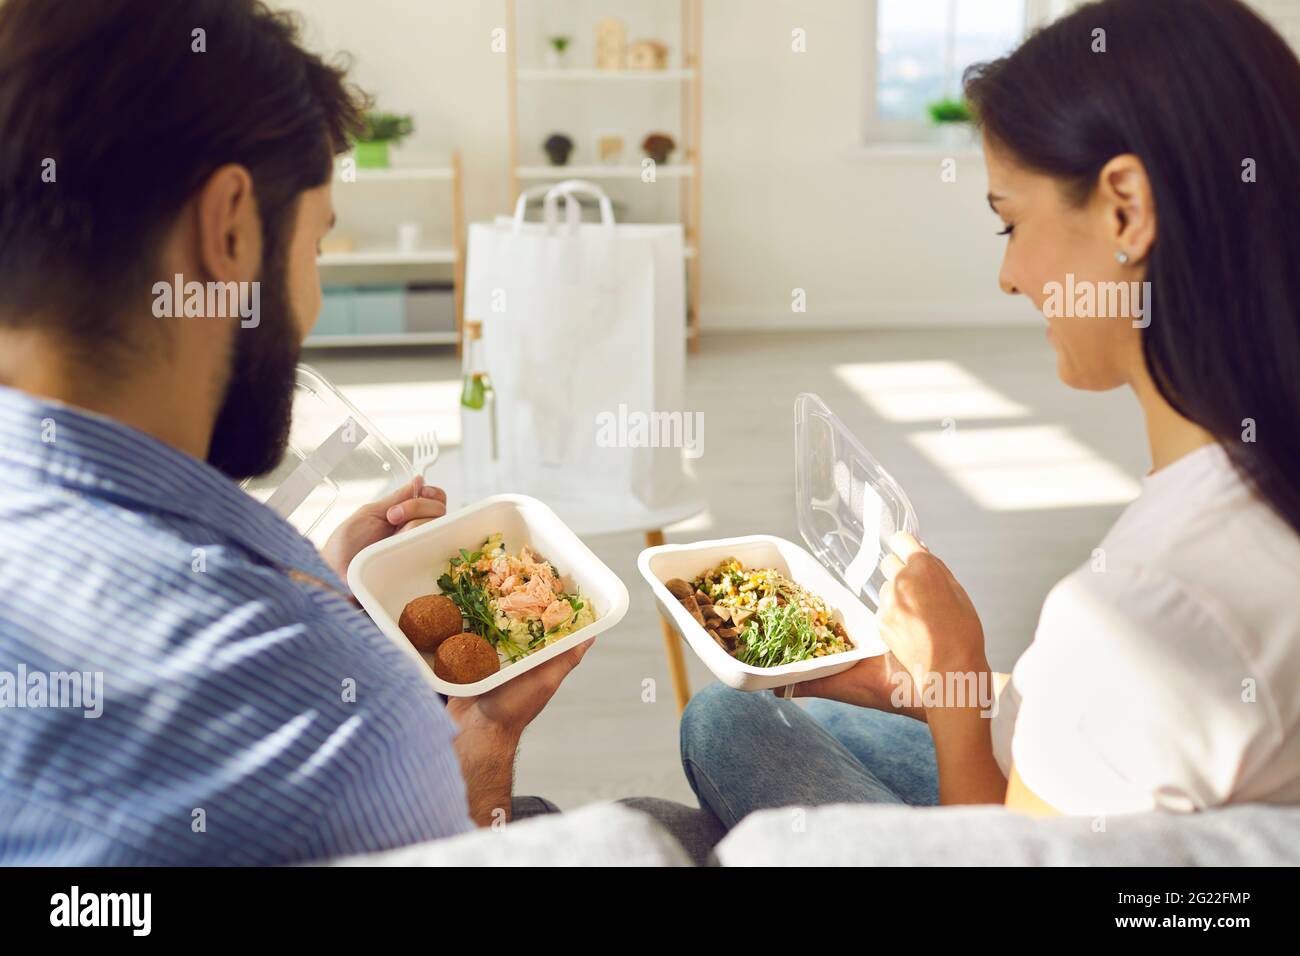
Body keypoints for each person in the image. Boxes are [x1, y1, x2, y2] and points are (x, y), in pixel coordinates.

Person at [0, 0, 597, 865]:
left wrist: (308, 576)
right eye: (316, 245)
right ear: (231, 229)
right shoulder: (337, 723)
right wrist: (481, 747)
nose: (310, 302)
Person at [681, 0, 1300, 827]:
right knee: (744, 714)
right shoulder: (1251, 480)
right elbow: (1108, 715)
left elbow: (1007, 853)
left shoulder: (1152, 604)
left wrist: (956, 675)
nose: (1010, 276)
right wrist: (933, 683)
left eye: (1010, 222)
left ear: (1126, 209)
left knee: (725, 728)